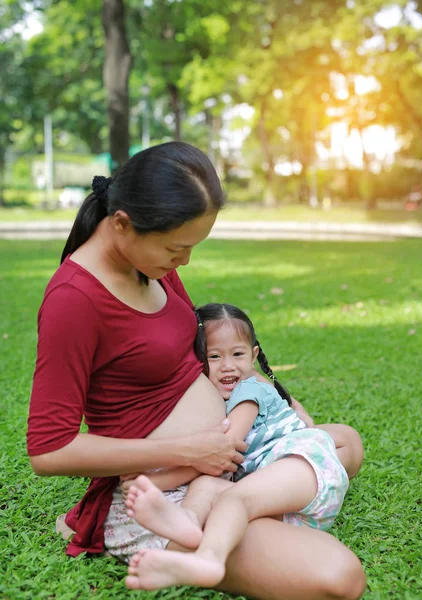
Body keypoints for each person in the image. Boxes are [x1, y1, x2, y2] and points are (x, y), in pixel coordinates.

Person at [27, 142, 366, 600]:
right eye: (177, 247)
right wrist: (190, 451)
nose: (184, 261)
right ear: (123, 223)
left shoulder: (149, 263)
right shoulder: (74, 299)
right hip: (165, 492)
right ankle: (188, 526)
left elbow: (193, 360)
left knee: (346, 443)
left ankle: (239, 510)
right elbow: (49, 450)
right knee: (339, 577)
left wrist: (258, 395)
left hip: (223, 458)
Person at [122, 303, 350, 590]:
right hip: (285, 507)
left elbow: (226, 450)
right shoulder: (219, 400)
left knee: (233, 498)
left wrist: (156, 481)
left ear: (253, 356)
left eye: (237, 354)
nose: (227, 365)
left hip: (303, 462)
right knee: (206, 485)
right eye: (214, 356)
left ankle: (209, 559)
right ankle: (188, 521)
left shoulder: (248, 391)